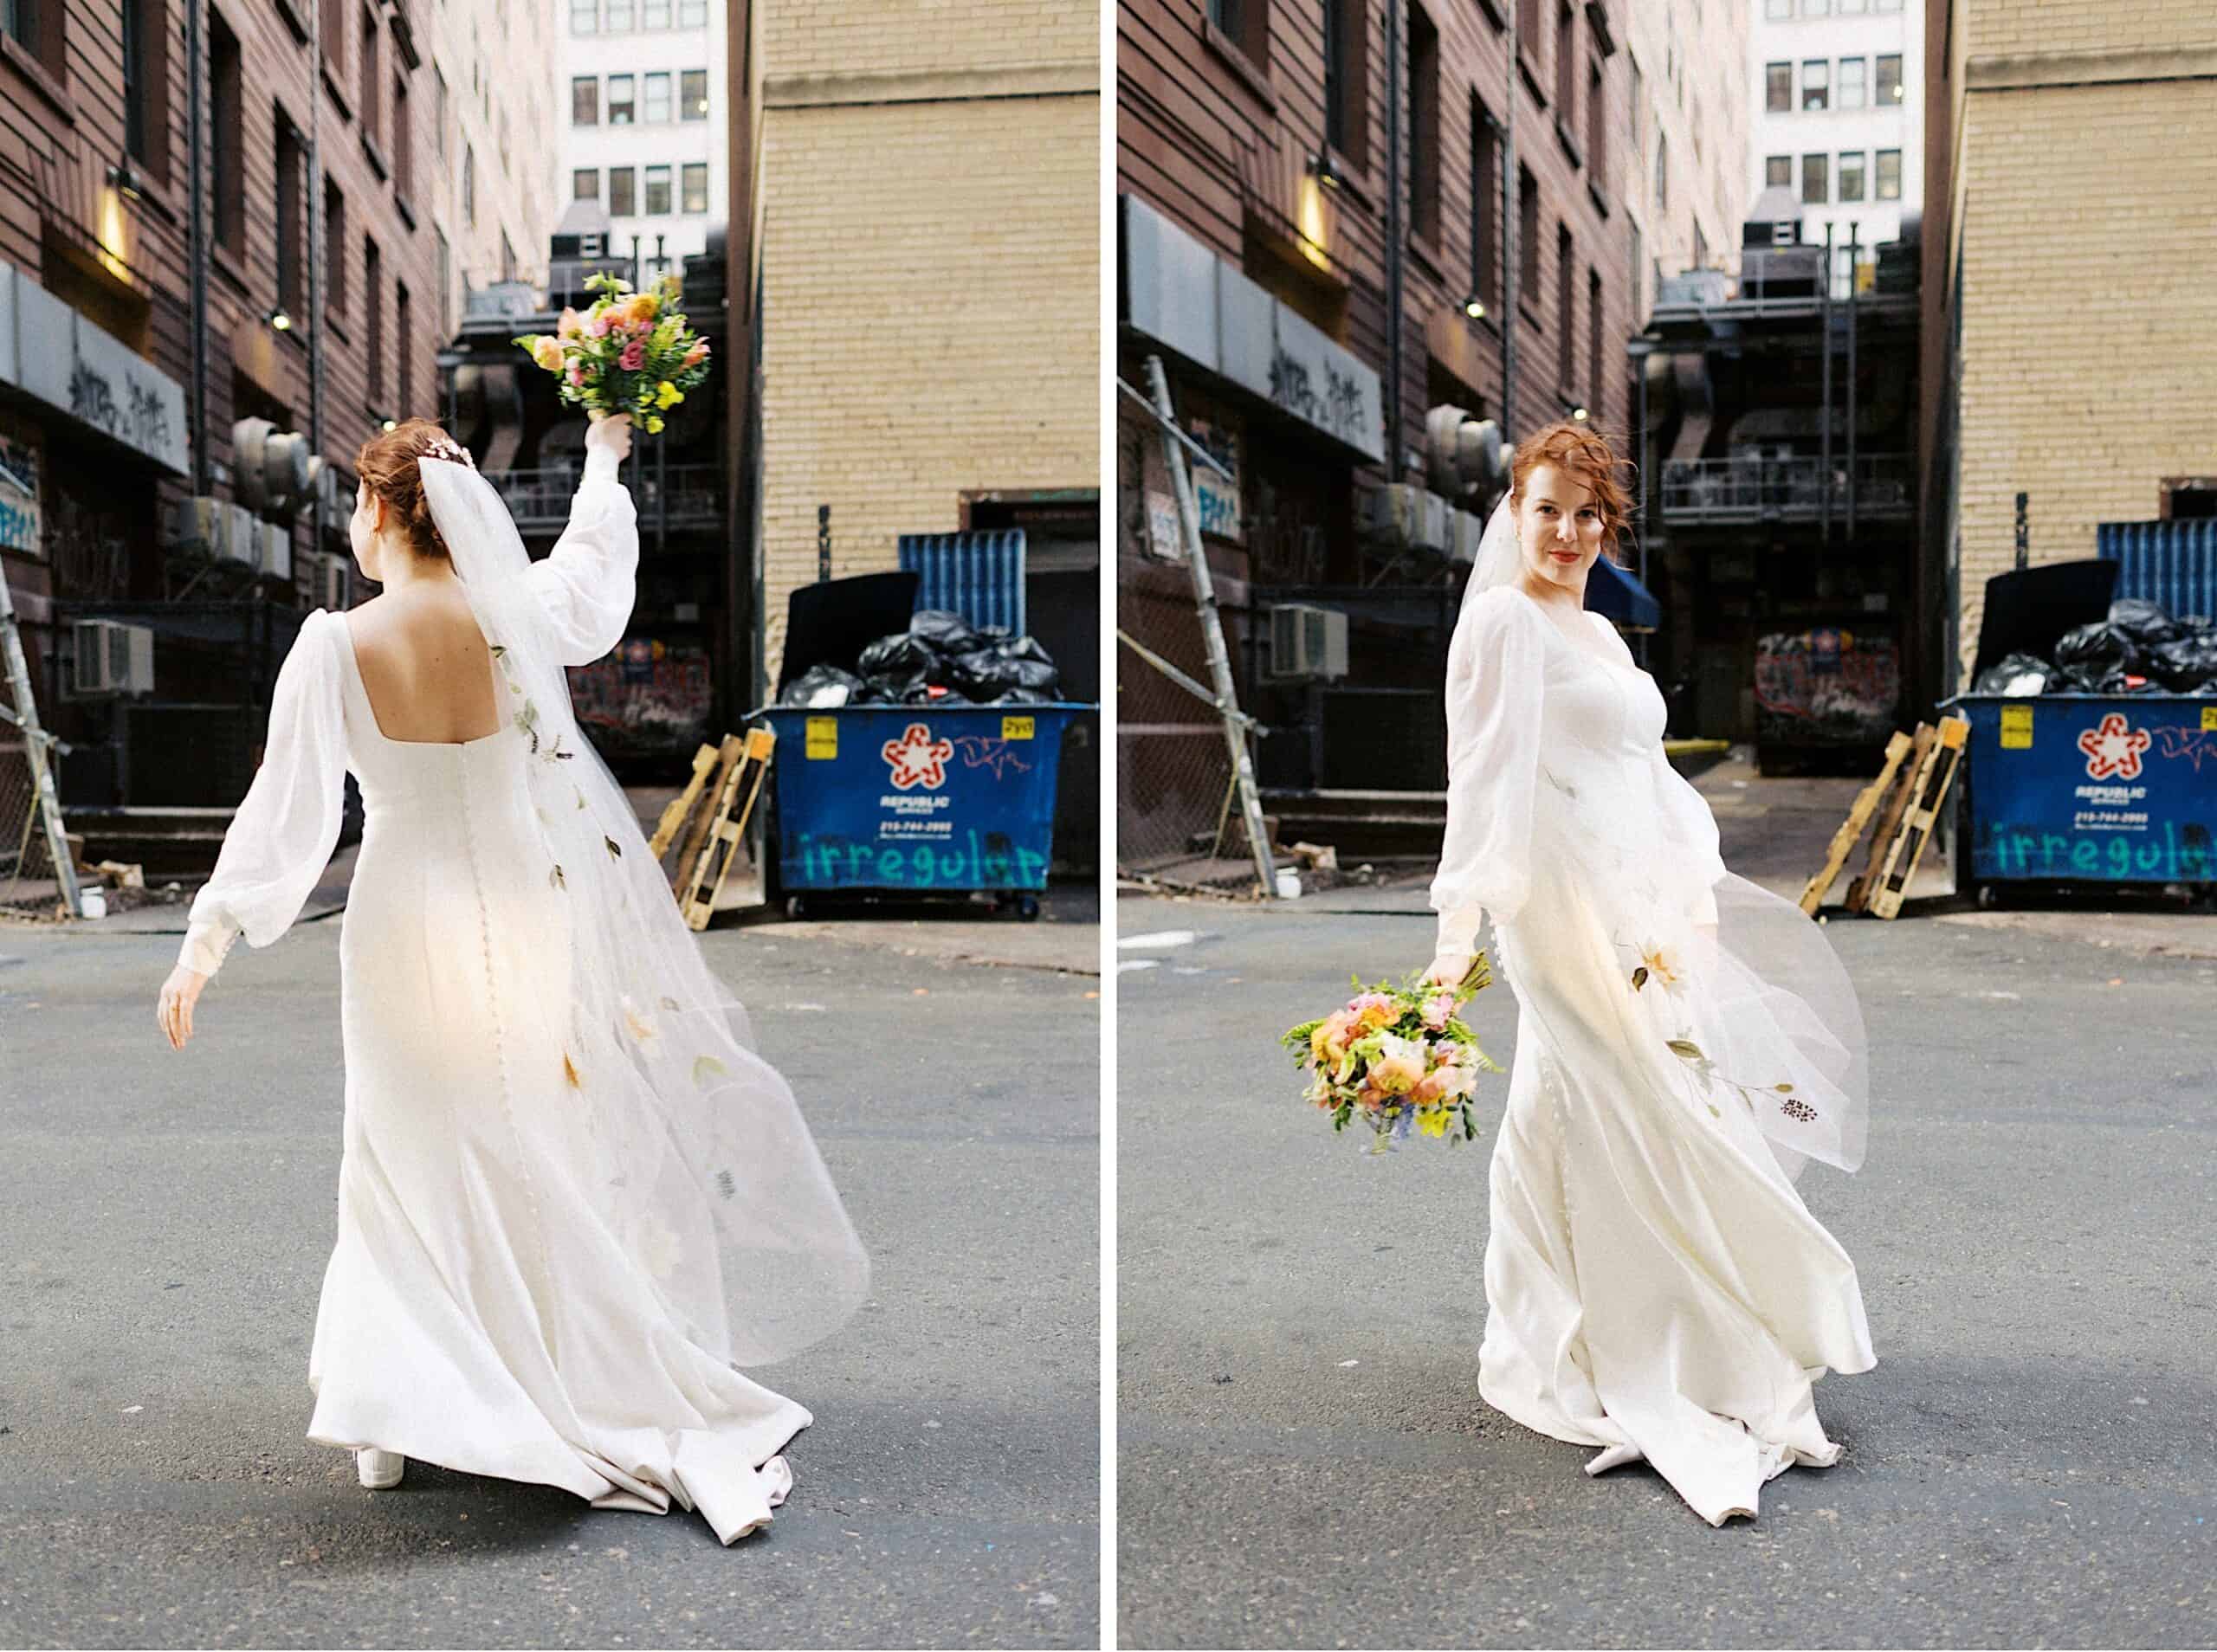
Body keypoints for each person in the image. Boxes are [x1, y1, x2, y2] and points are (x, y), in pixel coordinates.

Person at [155, 414, 868, 1544]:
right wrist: (599, 458)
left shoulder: (334, 647)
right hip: (528, 913)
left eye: (356, 504)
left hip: (404, 916)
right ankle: (551, 1364)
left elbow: (284, 820)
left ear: (384, 514)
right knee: (530, 1138)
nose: (352, 523)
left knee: (401, 1152)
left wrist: (208, 943)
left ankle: (392, 1417)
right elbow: (591, 576)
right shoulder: (517, 621)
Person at [1422, 421, 1874, 1527]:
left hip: (1644, 915)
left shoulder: (1601, 636)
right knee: (1630, 1111)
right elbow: (1478, 794)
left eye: (1588, 516)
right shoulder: (1499, 625)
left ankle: (1557, 1323)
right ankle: (1618, 1341)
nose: (1568, 533)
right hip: (1562, 913)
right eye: (1547, 511)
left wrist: (1691, 895)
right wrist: (1445, 967)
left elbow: (1645, 779)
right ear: (1512, 512)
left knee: (1576, 1113)